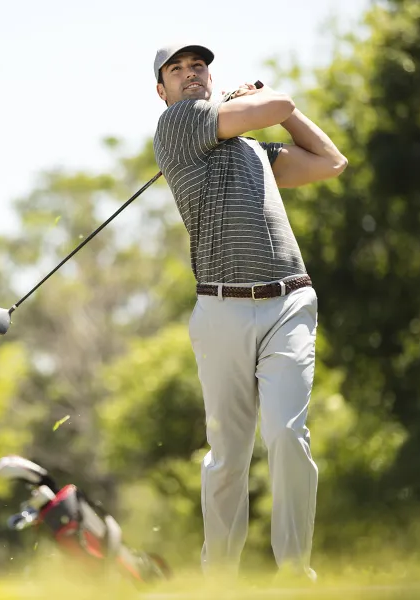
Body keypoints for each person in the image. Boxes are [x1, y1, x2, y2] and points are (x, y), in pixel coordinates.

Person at [151, 43, 347, 578]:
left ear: (210, 77)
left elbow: (332, 162)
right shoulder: (177, 125)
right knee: (228, 460)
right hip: (222, 311)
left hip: (289, 301)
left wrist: (272, 106)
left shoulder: (254, 151)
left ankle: (295, 572)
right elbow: (276, 106)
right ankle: (220, 580)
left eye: (199, 67)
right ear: (162, 89)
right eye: (178, 70)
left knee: (286, 434)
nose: (192, 75)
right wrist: (262, 98)